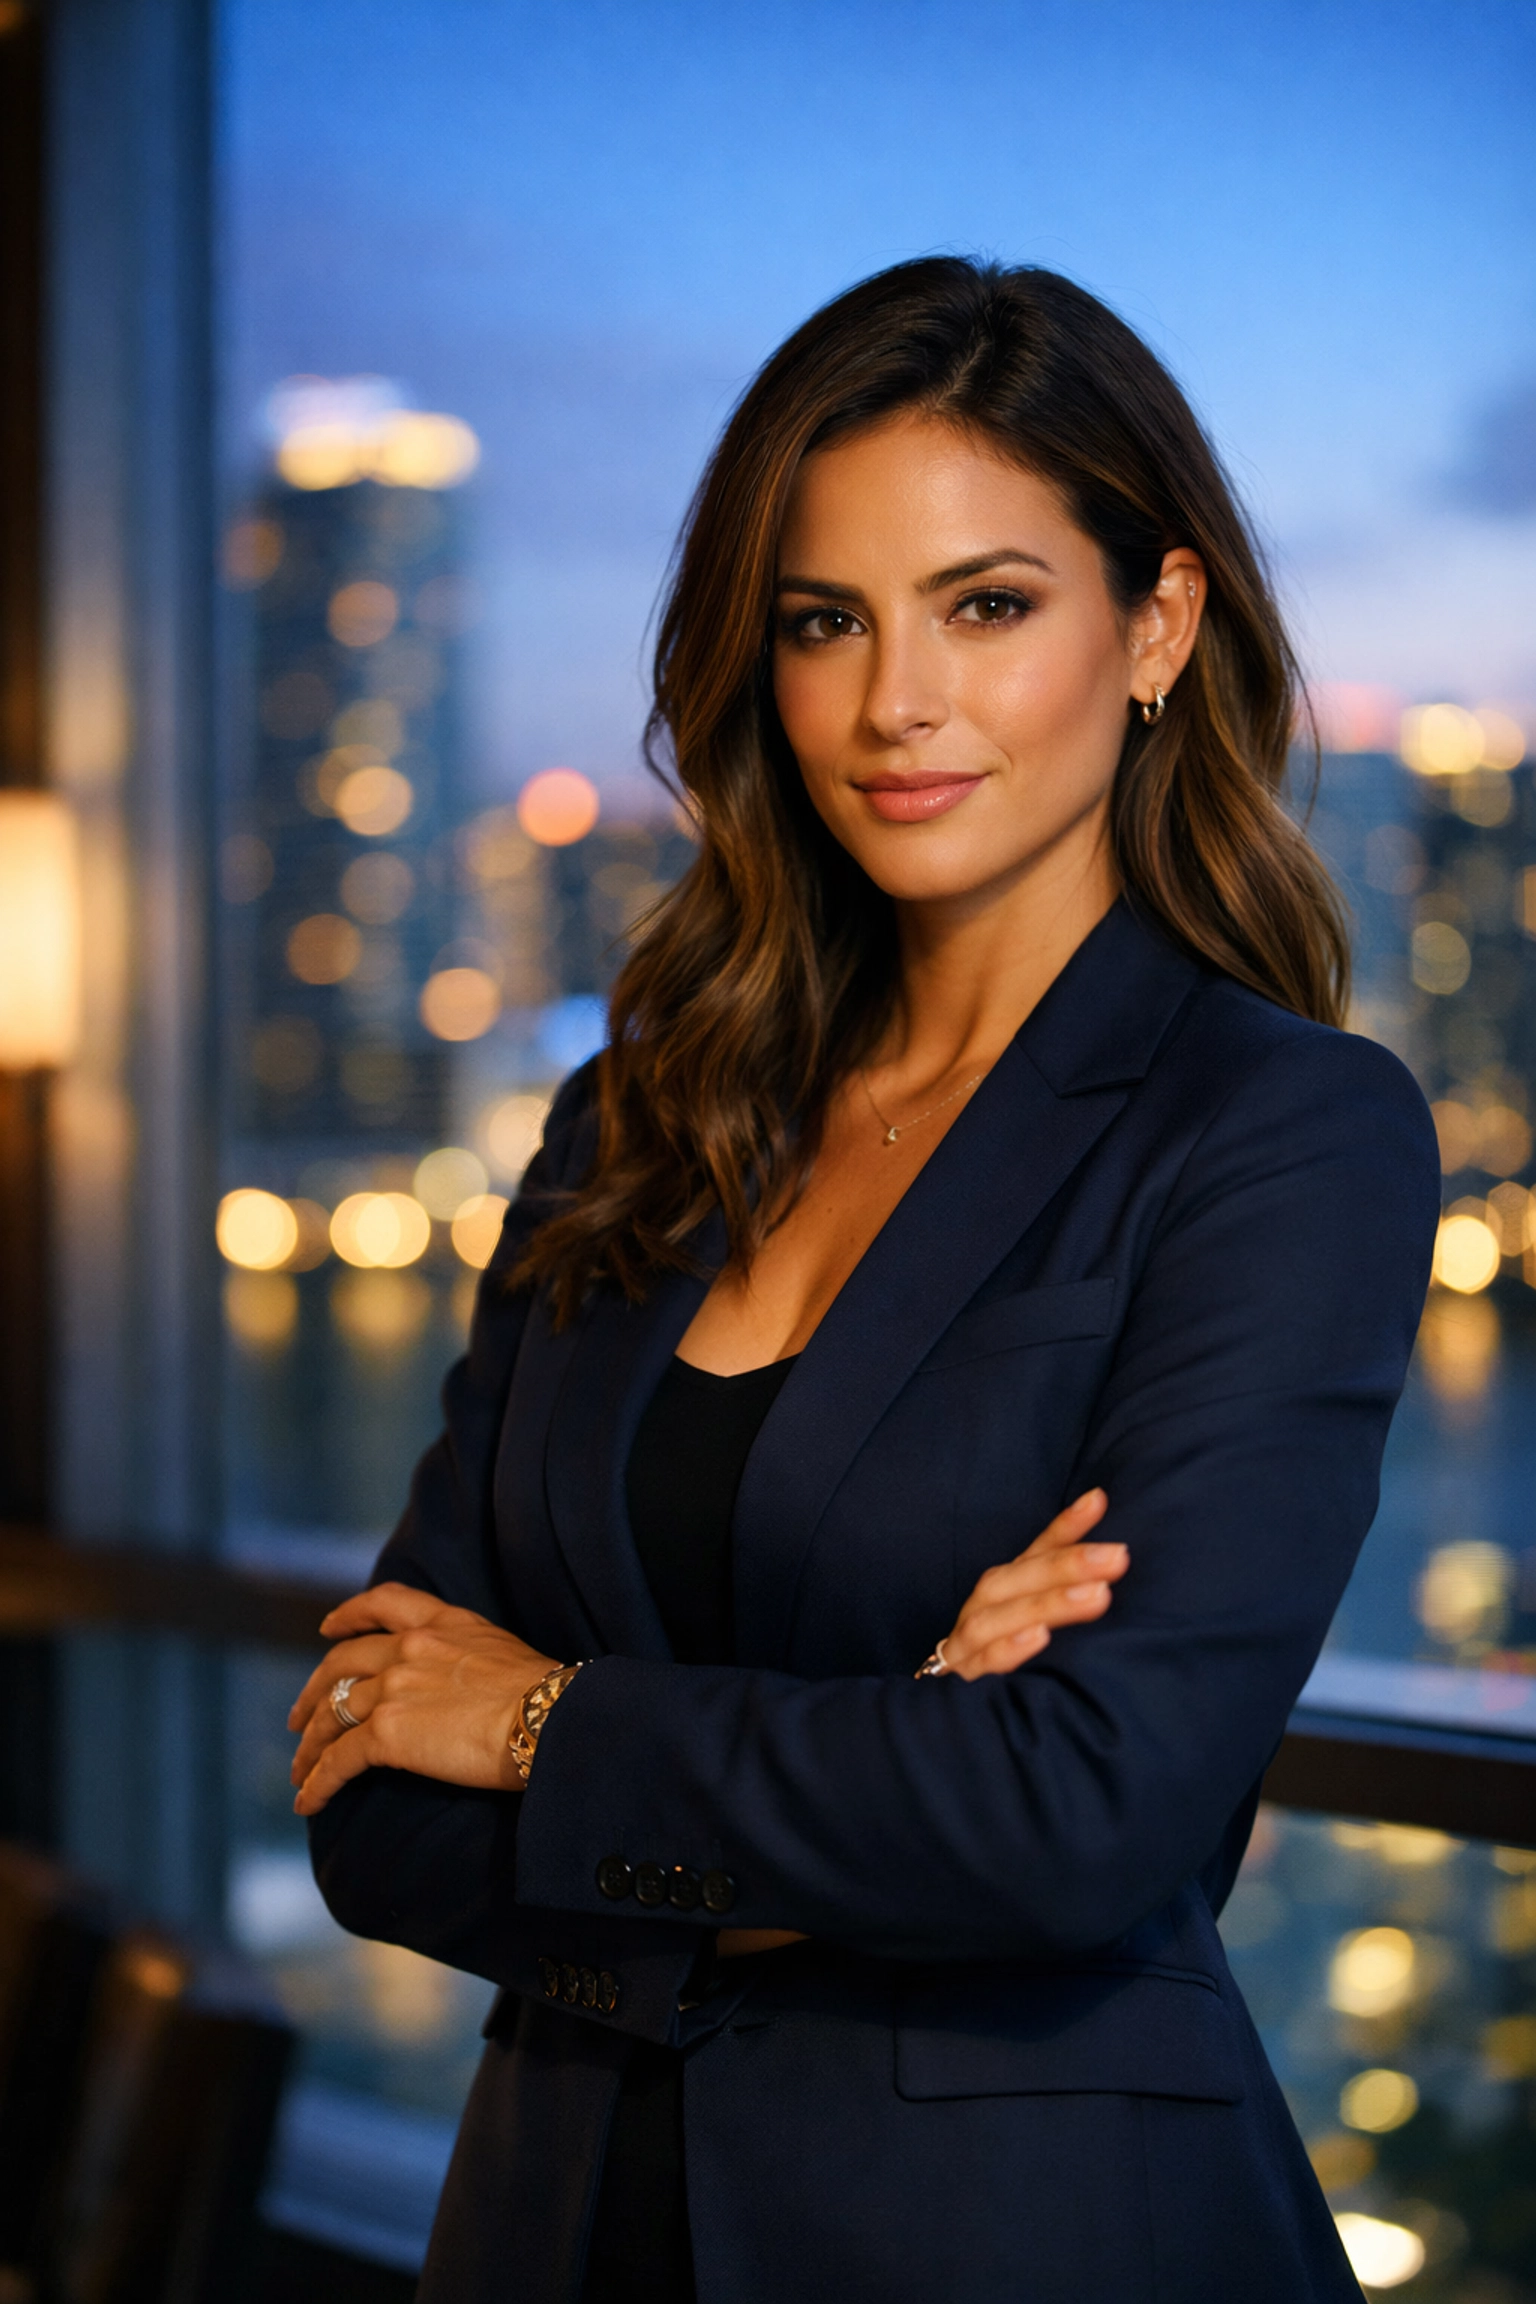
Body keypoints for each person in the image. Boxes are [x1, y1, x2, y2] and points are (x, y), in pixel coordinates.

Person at [289, 257, 1439, 2302]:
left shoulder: (1277, 1134)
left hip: (1022, 2248)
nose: (895, 702)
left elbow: (1082, 1815)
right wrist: (879, 1766)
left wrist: (546, 1723)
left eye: (987, 605)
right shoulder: (633, 1123)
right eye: (827, 621)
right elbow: (375, 1779)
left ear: (1156, 626)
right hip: (553, 2229)